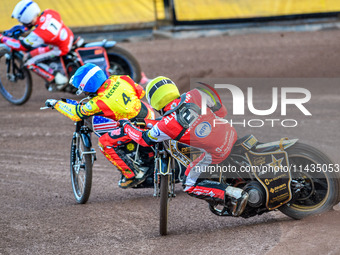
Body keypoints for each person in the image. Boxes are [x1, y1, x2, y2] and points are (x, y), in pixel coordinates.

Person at [119, 76, 249, 216]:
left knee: (189, 184)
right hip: (231, 134)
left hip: (216, 152)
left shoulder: (166, 124)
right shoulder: (195, 93)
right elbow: (221, 111)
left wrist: (126, 125)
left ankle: (234, 195)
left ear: (154, 101)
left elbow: (144, 139)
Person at [44, 63, 155, 188]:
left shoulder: (99, 102)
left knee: (105, 142)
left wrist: (56, 104)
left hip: (134, 127)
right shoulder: (121, 78)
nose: (84, 93)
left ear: (89, 87)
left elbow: (76, 114)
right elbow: (140, 93)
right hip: (148, 114)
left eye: (84, 90)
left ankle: (132, 174)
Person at [0, 0, 74, 88]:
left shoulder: (39, 34)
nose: (21, 23)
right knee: (34, 49)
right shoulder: (49, 12)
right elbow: (33, 26)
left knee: (28, 61)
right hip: (68, 37)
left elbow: (20, 45)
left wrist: (2, 38)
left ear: (26, 18)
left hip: (59, 49)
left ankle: (58, 79)